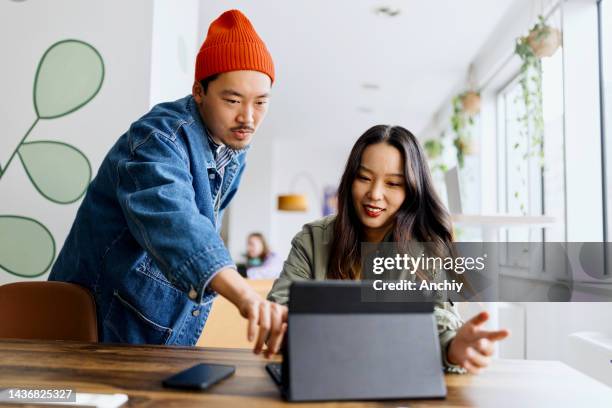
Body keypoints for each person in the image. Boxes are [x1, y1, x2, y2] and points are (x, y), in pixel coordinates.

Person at [49, 10, 286, 358]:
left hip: (158, 332)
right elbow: (175, 221)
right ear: (199, 91)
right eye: (233, 100)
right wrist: (246, 294)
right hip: (99, 331)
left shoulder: (233, 147)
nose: (248, 118)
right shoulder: (156, 138)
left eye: (261, 102)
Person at [268, 125, 509, 373]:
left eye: (393, 183)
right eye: (364, 178)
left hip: (392, 377)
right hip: (320, 372)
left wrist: (452, 348)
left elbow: (436, 316)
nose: (375, 194)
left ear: (412, 190)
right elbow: (277, 313)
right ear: (350, 180)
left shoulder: (425, 248)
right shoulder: (312, 239)